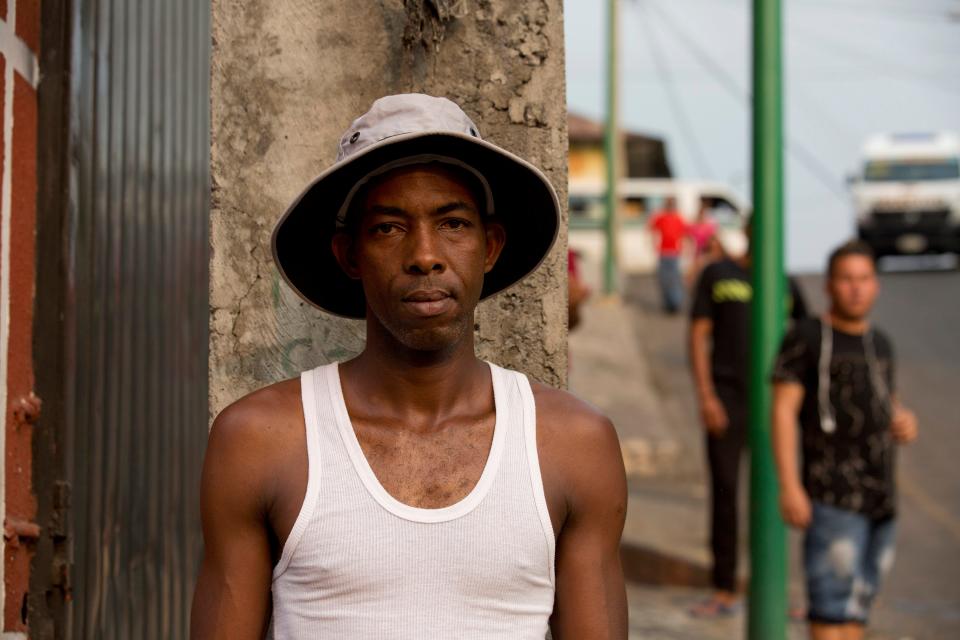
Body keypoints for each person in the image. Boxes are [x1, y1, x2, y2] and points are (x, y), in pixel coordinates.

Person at [189, 94, 628, 639]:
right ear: (349, 255)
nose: (424, 254)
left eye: (453, 224)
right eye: (389, 228)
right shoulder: (261, 439)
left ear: (489, 246)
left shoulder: (574, 444)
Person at [771, 241, 918, 640]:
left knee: (858, 610)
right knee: (829, 610)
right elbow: (783, 411)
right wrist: (790, 486)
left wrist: (904, 422)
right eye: (847, 279)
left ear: (876, 286)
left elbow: (890, 402)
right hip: (831, 498)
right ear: (829, 285)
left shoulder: (880, 343)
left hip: (880, 499)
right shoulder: (806, 337)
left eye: (864, 279)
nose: (856, 288)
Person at [687, 221, 809, 616]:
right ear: (750, 232)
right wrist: (706, 396)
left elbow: (807, 337)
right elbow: (697, 336)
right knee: (726, 493)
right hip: (727, 399)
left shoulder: (786, 284)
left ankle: (775, 587)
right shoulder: (719, 274)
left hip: (774, 406)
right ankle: (724, 589)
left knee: (778, 494)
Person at [649, 197, 688, 313]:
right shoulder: (661, 217)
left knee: (674, 279)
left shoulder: (678, 218)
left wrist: (684, 249)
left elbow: (683, 235)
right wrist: (654, 245)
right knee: (664, 279)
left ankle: (675, 302)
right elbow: (653, 231)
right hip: (663, 252)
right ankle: (668, 302)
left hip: (674, 252)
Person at [686, 199, 723, 286]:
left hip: (706, 253)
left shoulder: (709, 226)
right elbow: (688, 237)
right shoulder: (696, 226)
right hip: (699, 253)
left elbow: (715, 238)